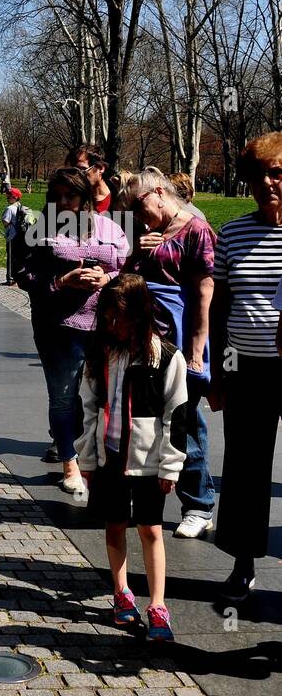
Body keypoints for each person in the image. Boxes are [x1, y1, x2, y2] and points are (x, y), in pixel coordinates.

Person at [76, 274, 188, 642]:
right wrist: (87, 460)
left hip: (149, 462)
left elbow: (178, 415)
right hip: (110, 457)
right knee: (114, 524)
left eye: (121, 318)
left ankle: (158, 603)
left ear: (139, 315)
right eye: (108, 317)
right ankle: (121, 592)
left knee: (151, 529)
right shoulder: (101, 351)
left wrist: (171, 465)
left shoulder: (167, 358)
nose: (114, 325)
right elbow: (88, 406)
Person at [17, 166, 130, 492]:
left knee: (105, 398)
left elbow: (125, 267)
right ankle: (69, 462)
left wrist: (106, 279)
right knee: (65, 397)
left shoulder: (110, 227)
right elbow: (24, 274)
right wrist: (60, 281)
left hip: (107, 325)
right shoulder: (42, 228)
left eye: (71, 195)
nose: (64, 201)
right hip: (59, 327)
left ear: (84, 197)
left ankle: (99, 462)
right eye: (58, 196)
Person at [122, 168, 217, 539]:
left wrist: (196, 354)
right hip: (149, 340)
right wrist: (135, 254)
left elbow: (204, 295)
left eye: (139, 204)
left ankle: (199, 504)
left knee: (186, 420)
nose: (136, 213)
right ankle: (150, 500)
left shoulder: (196, 230)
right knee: (150, 418)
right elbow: (128, 282)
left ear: (159, 192)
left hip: (180, 335)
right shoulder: (150, 234)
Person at [212, 131, 282, 601]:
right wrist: (217, 372)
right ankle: (243, 560)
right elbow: (218, 306)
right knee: (245, 468)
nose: (268, 183)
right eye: (259, 174)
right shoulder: (232, 233)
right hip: (245, 369)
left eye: (276, 173)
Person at [70, 143, 112, 214]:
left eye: (82, 169)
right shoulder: (67, 197)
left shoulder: (121, 200)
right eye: (74, 170)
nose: (77, 175)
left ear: (101, 168)